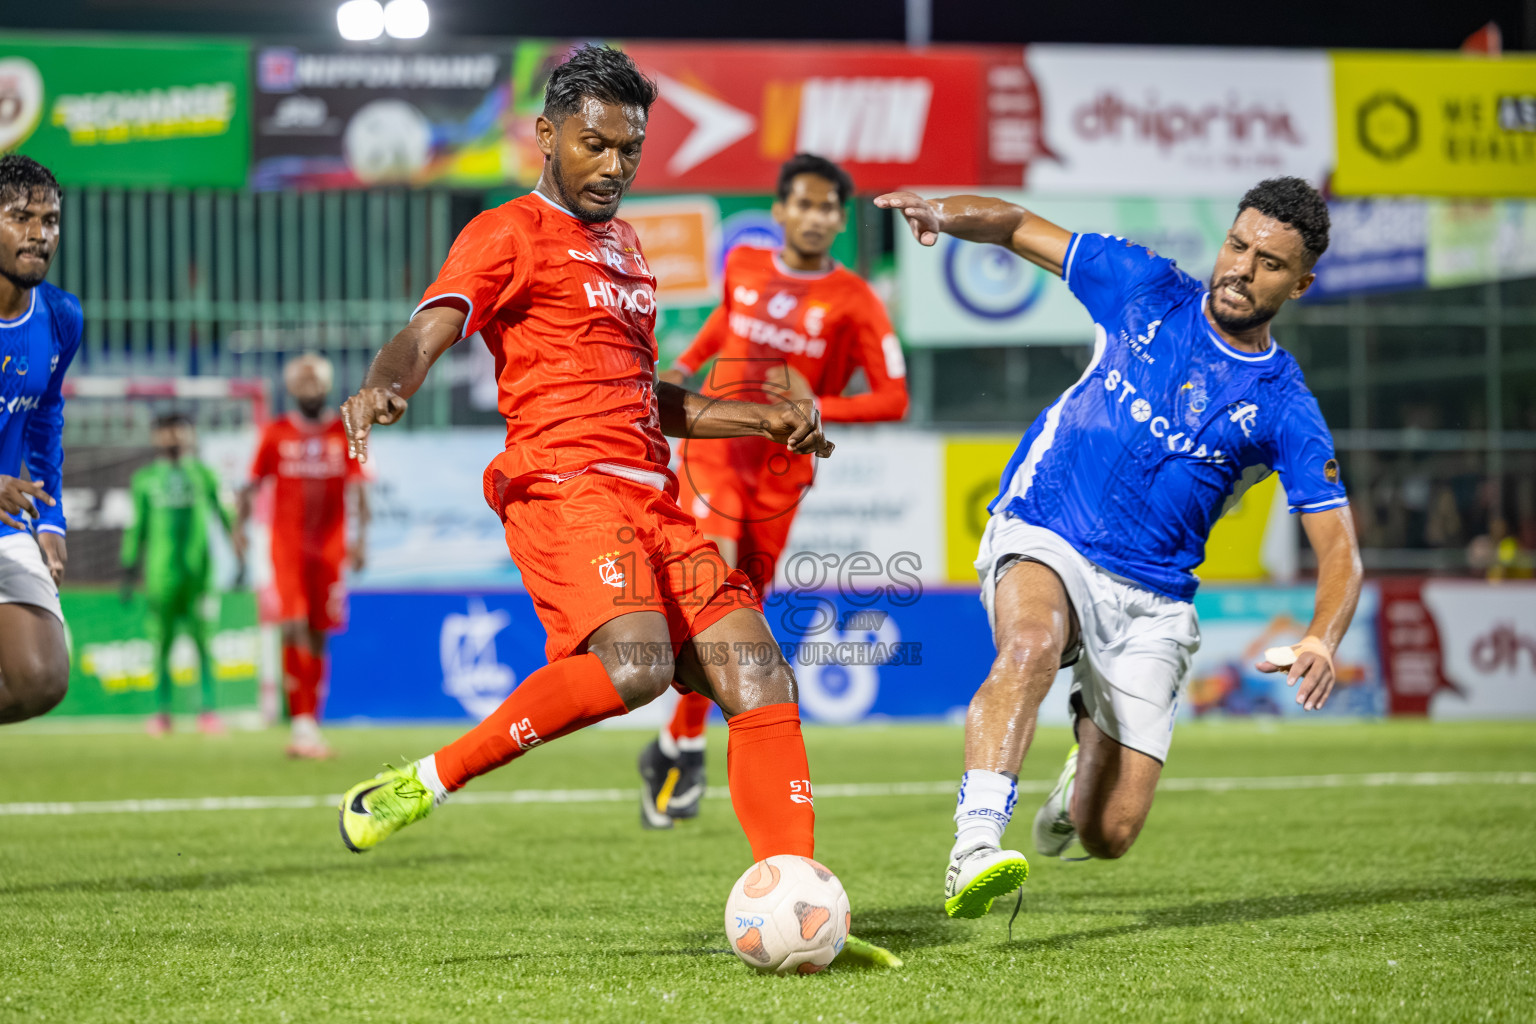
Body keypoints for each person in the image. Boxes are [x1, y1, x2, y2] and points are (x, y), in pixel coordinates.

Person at [332, 50, 895, 968]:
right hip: (562, 484)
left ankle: (797, 900)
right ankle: (427, 779)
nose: (613, 165)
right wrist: (387, 384)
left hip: (652, 496)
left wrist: (758, 418)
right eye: (594, 144)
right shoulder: (507, 231)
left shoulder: (627, 248)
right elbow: (431, 325)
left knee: (760, 678)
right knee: (636, 664)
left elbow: (643, 394)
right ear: (547, 136)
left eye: (629, 149)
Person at [875, 178, 1363, 919]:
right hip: (1048, 527)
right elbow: (1014, 223)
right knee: (1031, 642)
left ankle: (1085, 758)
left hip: (1153, 597)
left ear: (1300, 284)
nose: (1241, 268)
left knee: (1108, 834)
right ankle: (974, 845)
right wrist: (941, 212)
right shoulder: (1144, 287)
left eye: (1269, 263)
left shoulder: (1286, 407)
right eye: (1237, 245)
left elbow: (1339, 551)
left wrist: (1322, 638)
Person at [637, 153, 910, 829]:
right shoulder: (745, 265)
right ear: (782, 210)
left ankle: (675, 741)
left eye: (828, 208)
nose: (815, 217)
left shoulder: (855, 300)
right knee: (713, 587)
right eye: (804, 204)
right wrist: (688, 366)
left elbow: (893, 397)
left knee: (740, 609)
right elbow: (725, 322)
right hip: (719, 452)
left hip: (782, 475)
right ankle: (689, 746)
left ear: (841, 220)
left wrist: (815, 408)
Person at [238, 354, 369, 759]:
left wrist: (361, 540)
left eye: (316, 382)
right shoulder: (276, 432)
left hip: (330, 550)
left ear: (326, 386)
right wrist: (238, 529)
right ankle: (300, 723)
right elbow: (251, 483)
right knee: (292, 625)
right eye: (302, 383)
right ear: (292, 389)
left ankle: (310, 721)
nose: (310, 389)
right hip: (287, 548)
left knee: (317, 631)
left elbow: (360, 487)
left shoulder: (345, 430)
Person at [0, 155, 80, 725]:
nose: (38, 234)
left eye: (49, 220)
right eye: (20, 217)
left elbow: (47, 416)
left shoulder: (60, 315)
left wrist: (51, 519)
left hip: (7, 519)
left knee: (43, 678)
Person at [121, 412, 240, 735]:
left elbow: (227, 515)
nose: (173, 437)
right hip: (160, 577)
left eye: (179, 430)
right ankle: (162, 713)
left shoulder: (205, 475)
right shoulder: (145, 479)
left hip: (199, 577)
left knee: (204, 642)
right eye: (166, 431)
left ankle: (208, 711)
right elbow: (136, 526)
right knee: (162, 644)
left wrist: (240, 555)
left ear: (190, 435)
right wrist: (129, 566)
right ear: (155, 437)